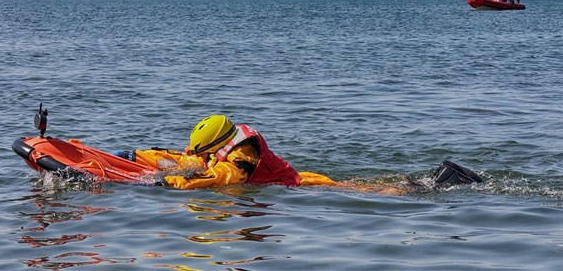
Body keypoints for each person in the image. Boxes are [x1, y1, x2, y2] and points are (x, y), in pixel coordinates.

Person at [115, 115, 481, 191]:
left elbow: (220, 176)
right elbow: (184, 159)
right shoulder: (225, 145)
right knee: (360, 184)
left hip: (299, 184)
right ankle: (423, 183)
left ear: (219, 144)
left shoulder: (240, 158)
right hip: (294, 180)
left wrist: (172, 186)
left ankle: (433, 185)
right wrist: (135, 155)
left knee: (364, 189)